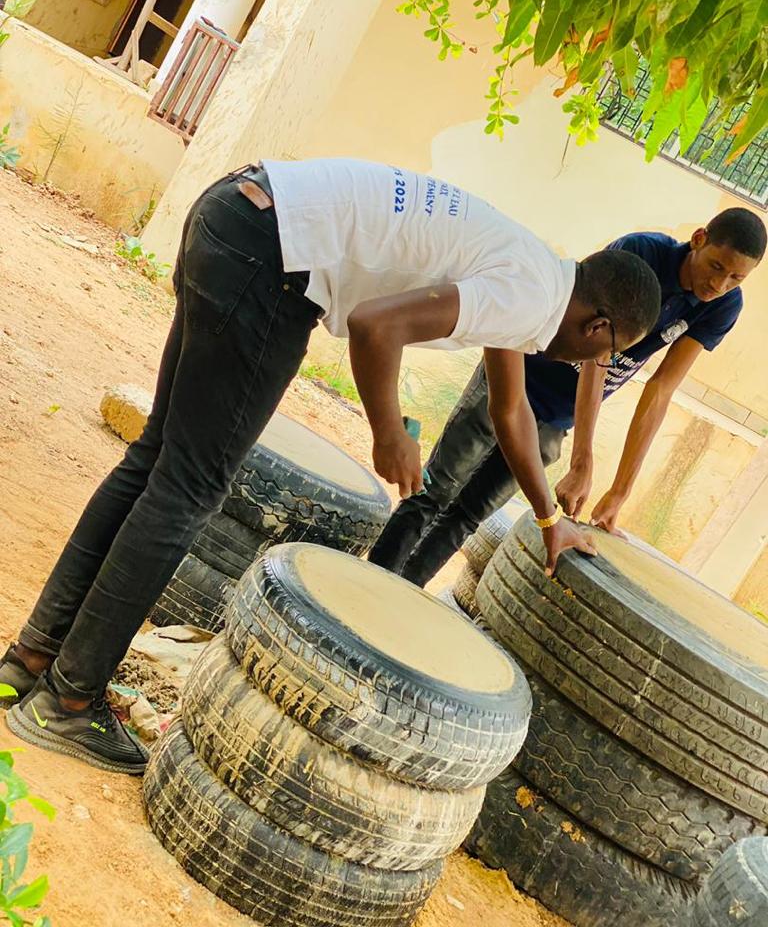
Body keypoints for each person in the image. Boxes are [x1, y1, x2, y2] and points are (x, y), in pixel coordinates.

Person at [0, 158, 661, 774]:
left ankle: (31, 660)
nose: (590, 365)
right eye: (603, 354)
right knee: (189, 486)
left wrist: (548, 518)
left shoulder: (536, 274)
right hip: (273, 259)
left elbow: (510, 409)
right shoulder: (531, 297)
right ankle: (69, 700)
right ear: (598, 325)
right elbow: (376, 325)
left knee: (157, 460)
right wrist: (388, 431)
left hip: (241, 211)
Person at [368, 208, 766, 586]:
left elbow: (661, 389)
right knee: (437, 489)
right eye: (717, 267)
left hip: (558, 416)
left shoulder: (723, 306)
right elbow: (597, 357)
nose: (720, 285)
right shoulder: (641, 253)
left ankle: (403, 596)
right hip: (515, 372)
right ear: (699, 239)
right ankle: (369, 583)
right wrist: (582, 460)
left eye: (736, 278)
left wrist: (620, 491)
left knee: (469, 514)